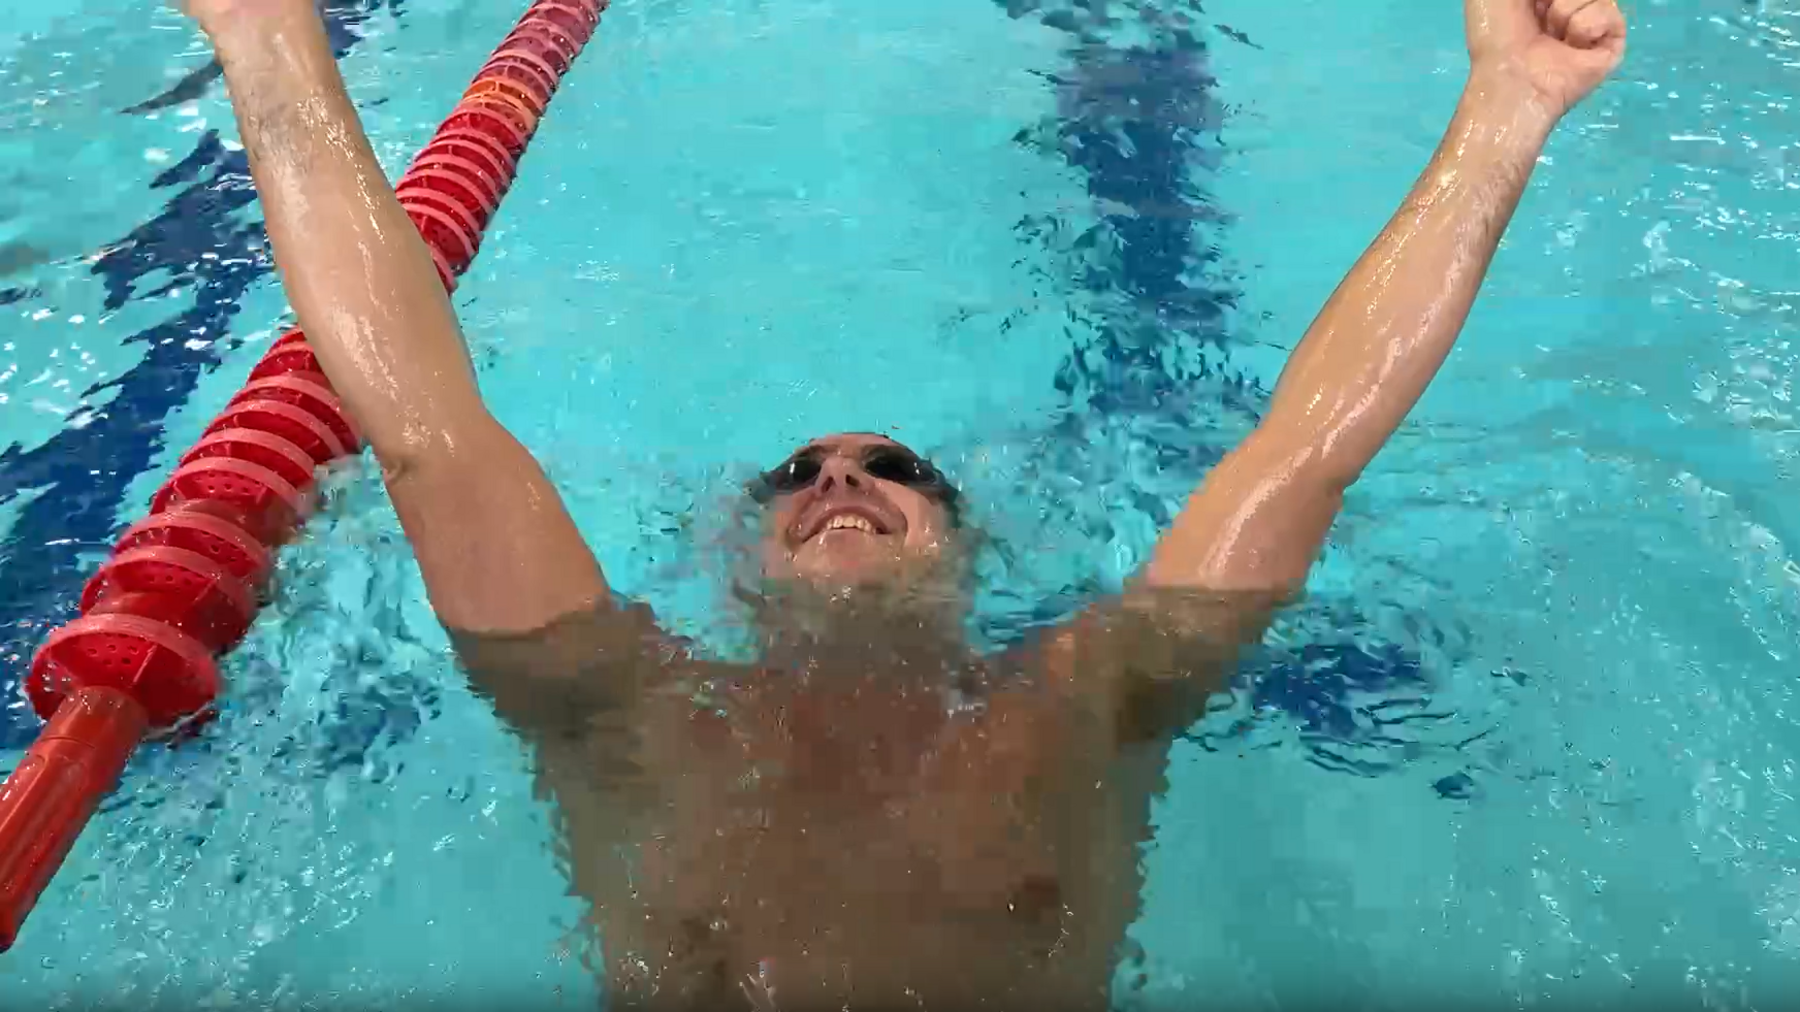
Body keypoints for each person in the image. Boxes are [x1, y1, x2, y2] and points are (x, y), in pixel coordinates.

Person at [179, 0, 1626, 1007]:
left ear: (966, 546)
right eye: (800, 476)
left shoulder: (1092, 695)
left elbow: (1303, 450)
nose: (843, 484)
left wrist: (1505, 110)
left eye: (892, 470)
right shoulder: (617, 706)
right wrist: (267, 35)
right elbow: (424, 431)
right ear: (732, 558)